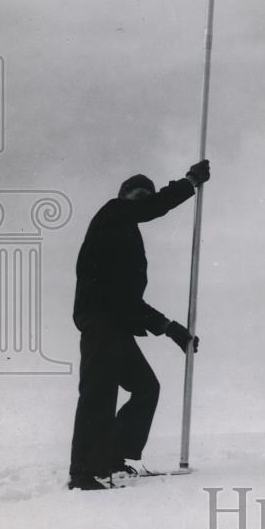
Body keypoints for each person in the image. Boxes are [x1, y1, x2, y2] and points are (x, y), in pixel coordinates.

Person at [68, 160, 210, 490]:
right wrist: (188, 183)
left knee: (146, 386)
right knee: (99, 394)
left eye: (148, 192)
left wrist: (172, 329)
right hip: (100, 322)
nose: (145, 198)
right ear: (123, 195)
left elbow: (130, 300)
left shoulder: (125, 238)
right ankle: (84, 472)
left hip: (116, 325)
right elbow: (152, 207)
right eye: (139, 194)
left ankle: (115, 458)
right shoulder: (112, 213)